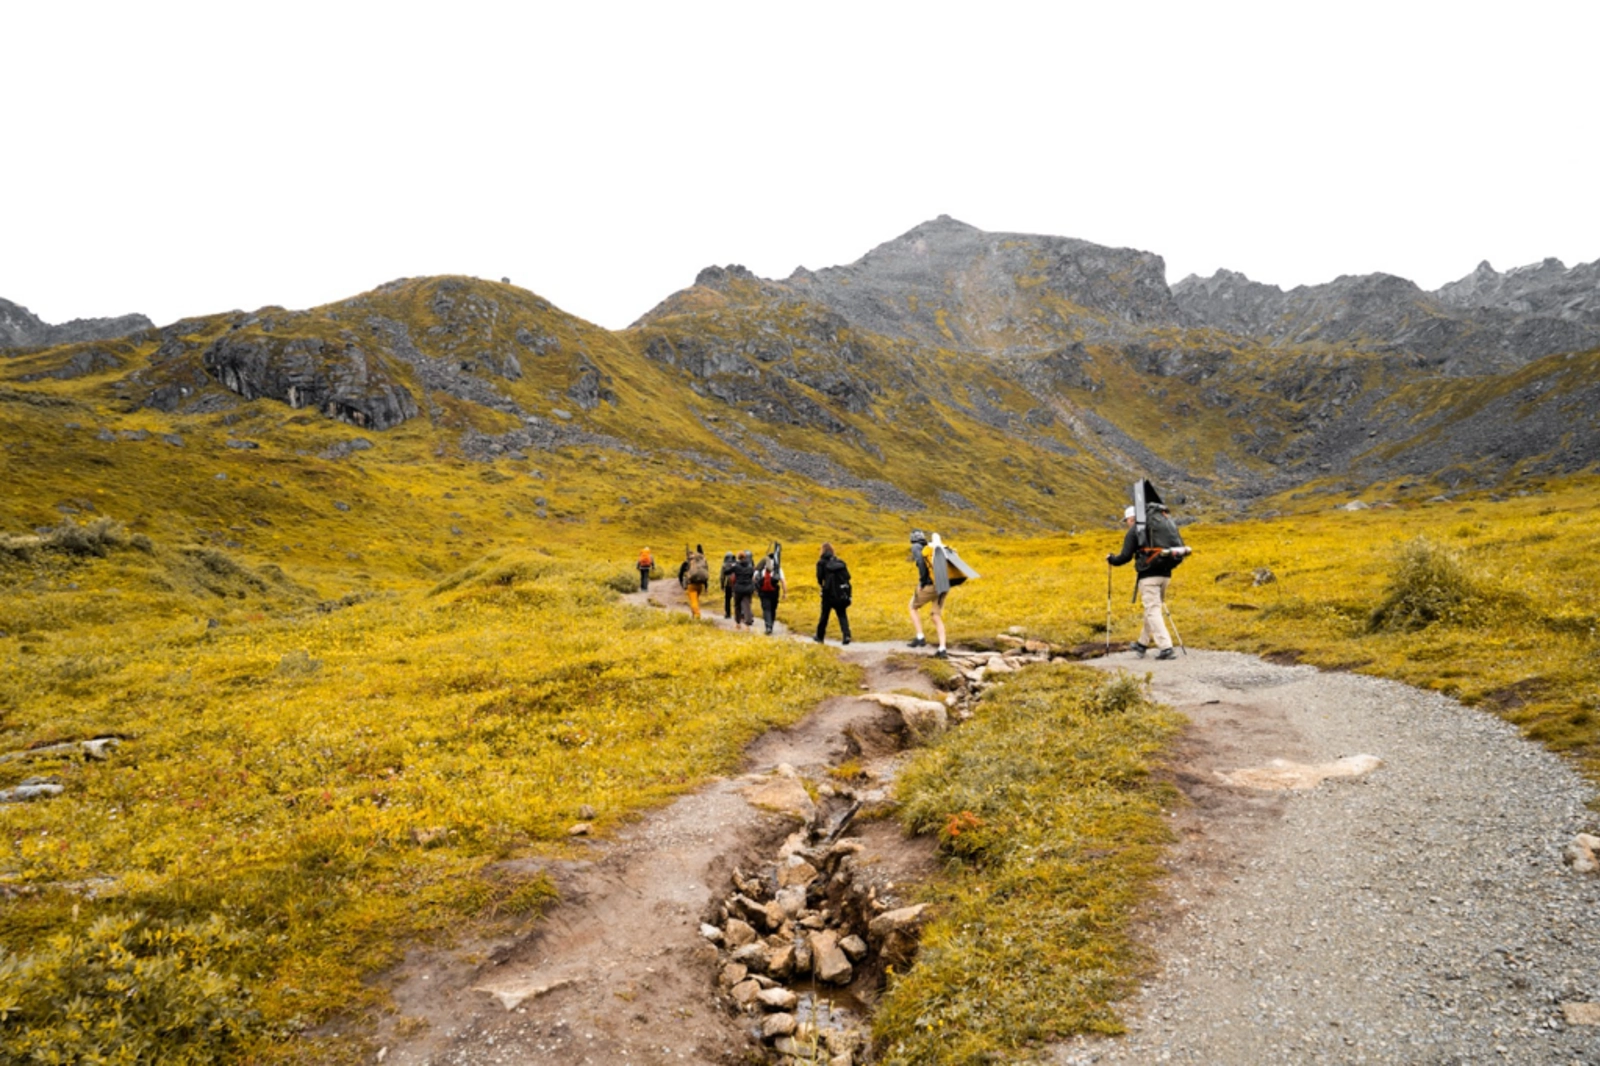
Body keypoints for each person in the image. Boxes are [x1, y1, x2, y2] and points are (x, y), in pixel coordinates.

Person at [1107, 505, 1178, 660]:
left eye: (1127, 520)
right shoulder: (1159, 528)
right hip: (1166, 574)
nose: (1127, 523)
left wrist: (1112, 559)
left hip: (1148, 576)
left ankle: (1166, 647)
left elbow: (1125, 556)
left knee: (1152, 610)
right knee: (1152, 609)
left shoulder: (1134, 531)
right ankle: (1142, 643)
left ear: (1132, 519)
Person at [907, 529, 949, 659]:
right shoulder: (932, 548)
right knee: (935, 615)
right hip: (944, 585)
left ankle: (920, 637)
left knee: (912, 606)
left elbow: (921, 563)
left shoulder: (916, 547)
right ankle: (942, 649)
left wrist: (922, 583)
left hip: (932, 585)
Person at [815, 542, 853, 645]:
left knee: (824, 615)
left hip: (828, 592)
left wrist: (823, 585)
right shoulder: (840, 563)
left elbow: (819, 578)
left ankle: (820, 636)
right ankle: (846, 635)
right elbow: (848, 577)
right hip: (840, 592)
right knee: (842, 614)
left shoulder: (821, 563)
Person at [755, 552, 787, 635]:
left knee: (766, 609)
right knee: (773, 609)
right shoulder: (778, 569)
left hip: (763, 592)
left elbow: (754, 578)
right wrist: (785, 592)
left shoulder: (761, 567)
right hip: (774, 592)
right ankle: (771, 624)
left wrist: (756, 589)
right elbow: (783, 581)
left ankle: (768, 626)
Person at [731, 550, 757, 631]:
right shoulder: (750, 567)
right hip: (748, 588)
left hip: (738, 588)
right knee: (747, 606)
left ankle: (738, 623)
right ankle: (747, 625)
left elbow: (726, 571)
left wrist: (733, 566)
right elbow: (752, 576)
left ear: (738, 557)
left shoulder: (736, 566)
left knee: (737, 606)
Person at [684, 544, 710, 619]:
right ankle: (693, 616)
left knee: (693, 601)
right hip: (700, 585)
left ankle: (697, 616)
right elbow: (705, 572)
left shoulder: (688, 562)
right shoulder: (701, 562)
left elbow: (681, 574)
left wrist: (684, 585)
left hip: (691, 585)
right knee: (695, 600)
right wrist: (706, 587)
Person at [719, 552, 737, 619]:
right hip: (736, 584)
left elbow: (722, 577)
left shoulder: (724, 565)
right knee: (736, 600)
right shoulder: (736, 564)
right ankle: (738, 614)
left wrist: (722, 586)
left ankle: (728, 614)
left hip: (728, 584)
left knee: (727, 600)